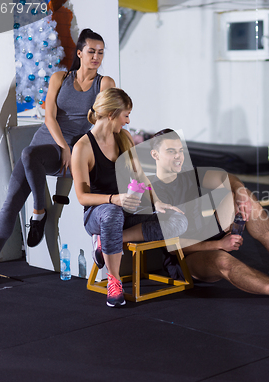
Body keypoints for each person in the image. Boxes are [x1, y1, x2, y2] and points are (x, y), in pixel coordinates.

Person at [0, 29, 115, 286]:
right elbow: (49, 117)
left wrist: (74, 149)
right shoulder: (60, 77)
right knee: (11, 199)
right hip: (46, 145)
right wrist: (63, 146)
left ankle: (38, 211)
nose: (96, 57)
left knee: (28, 154)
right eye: (91, 51)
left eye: (100, 52)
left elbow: (104, 122)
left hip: (67, 154)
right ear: (79, 53)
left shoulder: (104, 84)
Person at [146, 128, 269, 308]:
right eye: (171, 151)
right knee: (222, 260)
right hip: (184, 256)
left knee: (244, 196)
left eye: (180, 150)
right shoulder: (153, 192)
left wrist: (240, 190)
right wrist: (219, 245)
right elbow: (174, 247)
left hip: (206, 232)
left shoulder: (191, 175)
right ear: (155, 154)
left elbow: (225, 177)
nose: (178, 156)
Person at [71, 89, 187, 307]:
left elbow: (140, 175)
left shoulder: (123, 138)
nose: (128, 120)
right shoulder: (82, 148)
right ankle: (114, 281)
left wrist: (158, 203)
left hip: (126, 210)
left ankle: (108, 239)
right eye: (126, 115)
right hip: (98, 213)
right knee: (112, 213)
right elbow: (82, 197)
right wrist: (114, 198)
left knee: (178, 220)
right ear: (112, 114)